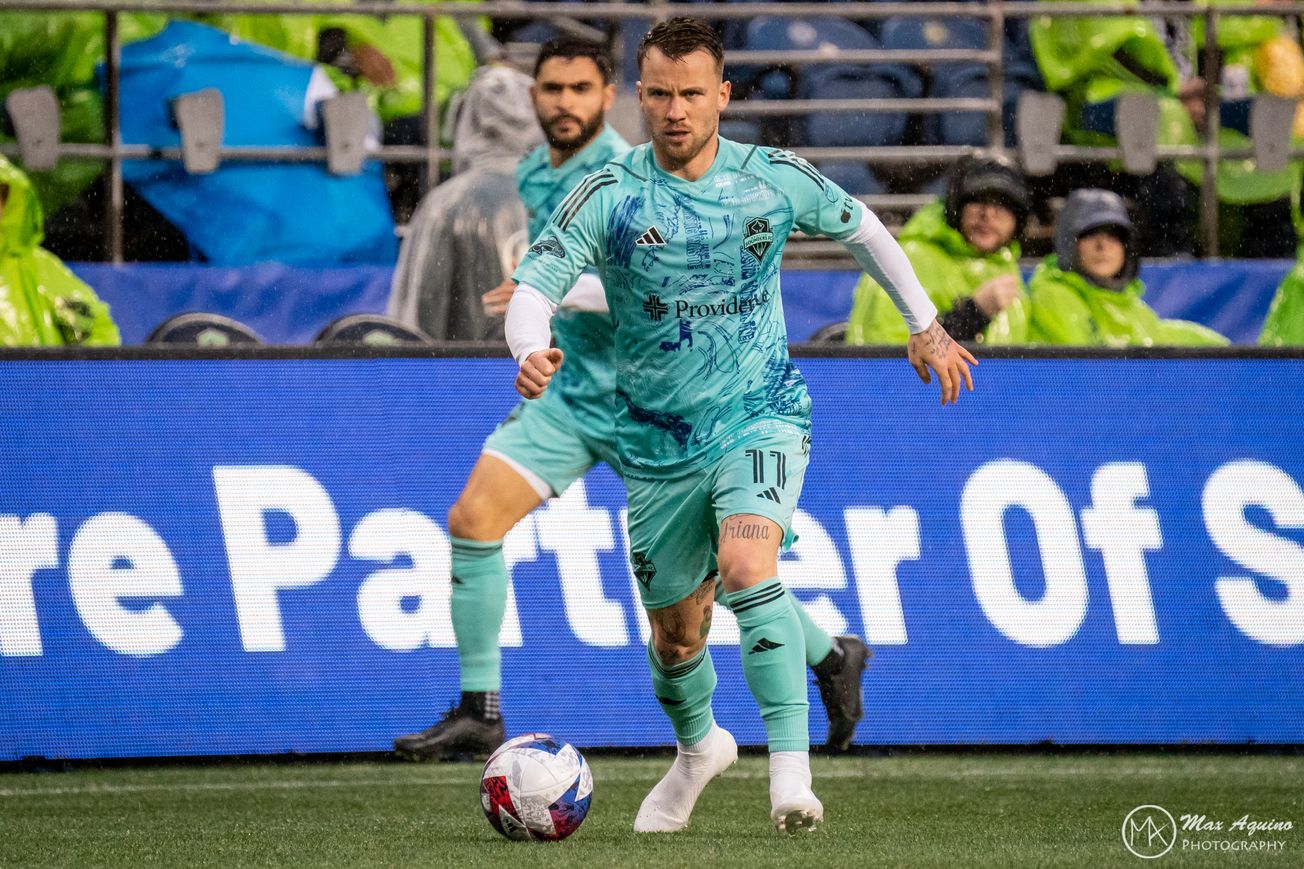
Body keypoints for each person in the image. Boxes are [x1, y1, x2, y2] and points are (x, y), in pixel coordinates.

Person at [505, 18, 975, 834]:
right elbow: (532, 286)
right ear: (640, 98)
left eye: (692, 93)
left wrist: (925, 323)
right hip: (655, 442)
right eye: (660, 93)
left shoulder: (774, 178)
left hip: (761, 414)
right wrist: (529, 345)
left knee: (749, 565)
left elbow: (863, 227)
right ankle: (698, 750)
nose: (676, 110)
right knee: (676, 639)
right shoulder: (611, 192)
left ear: (722, 95)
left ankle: (790, 776)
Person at [393, 37, 872, 763]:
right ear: (533, 96)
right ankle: (479, 707)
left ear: (609, 96)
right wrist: (535, 314)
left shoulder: (634, 172)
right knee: (473, 516)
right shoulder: (533, 172)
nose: (564, 103)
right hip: (570, 393)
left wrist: (550, 294)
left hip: (661, 402)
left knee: (717, 584)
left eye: (581, 89)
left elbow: (656, 284)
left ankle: (831, 656)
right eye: (551, 88)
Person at [388, 64, 542, 341]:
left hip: (464, 376)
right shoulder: (569, 195)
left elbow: (416, 322)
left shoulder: (445, 204)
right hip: (553, 376)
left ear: (468, 120)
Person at [845, 153, 1031, 345]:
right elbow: (889, 361)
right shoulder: (907, 259)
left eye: (1003, 203)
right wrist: (971, 315)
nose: (988, 214)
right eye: (977, 199)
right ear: (955, 205)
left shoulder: (1007, 267)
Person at [1027, 188, 1229, 346]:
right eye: (1089, 234)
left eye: (1114, 235)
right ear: (1067, 243)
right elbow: (1095, 373)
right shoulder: (1051, 296)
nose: (1102, 246)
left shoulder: (1137, 311)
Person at [0, 155, 119, 346]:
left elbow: (96, 334)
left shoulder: (38, 267)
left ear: (8, 203)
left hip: (35, 376)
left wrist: (73, 374)